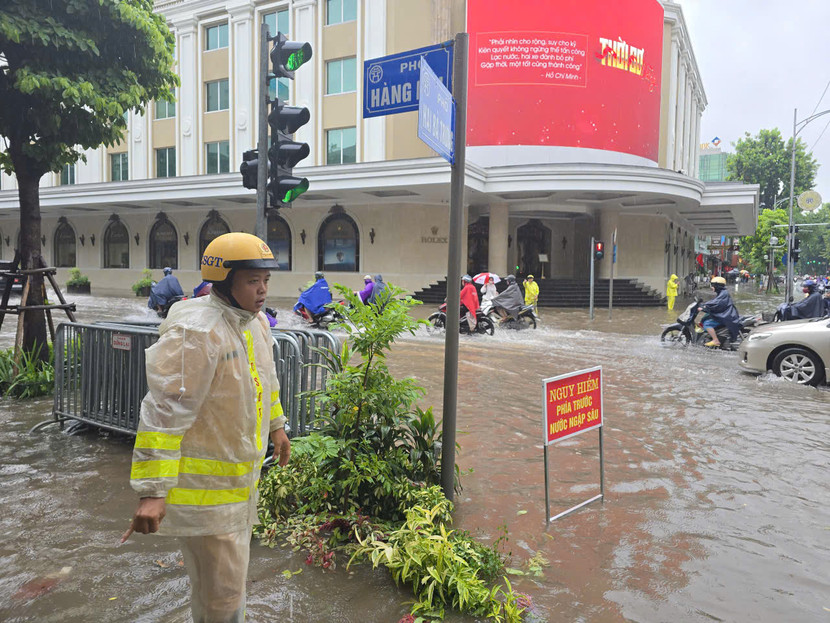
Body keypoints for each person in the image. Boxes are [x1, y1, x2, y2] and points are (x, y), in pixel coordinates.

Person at [122, 232, 291, 623]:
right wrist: (152, 492)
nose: (263, 290)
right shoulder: (198, 332)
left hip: (238, 488)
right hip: (208, 496)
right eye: (252, 281)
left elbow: (265, 379)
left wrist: (277, 427)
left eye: (266, 281)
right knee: (222, 597)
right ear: (223, 280)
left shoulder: (255, 322)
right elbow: (164, 414)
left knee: (226, 588)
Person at [700, 276, 740, 347]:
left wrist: (705, 307)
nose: (711, 287)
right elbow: (714, 301)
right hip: (727, 313)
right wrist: (704, 305)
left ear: (717, 286)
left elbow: (717, 303)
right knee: (705, 317)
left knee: (707, 323)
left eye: (712, 285)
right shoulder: (722, 292)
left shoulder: (723, 294)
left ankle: (715, 340)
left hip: (727, 315)